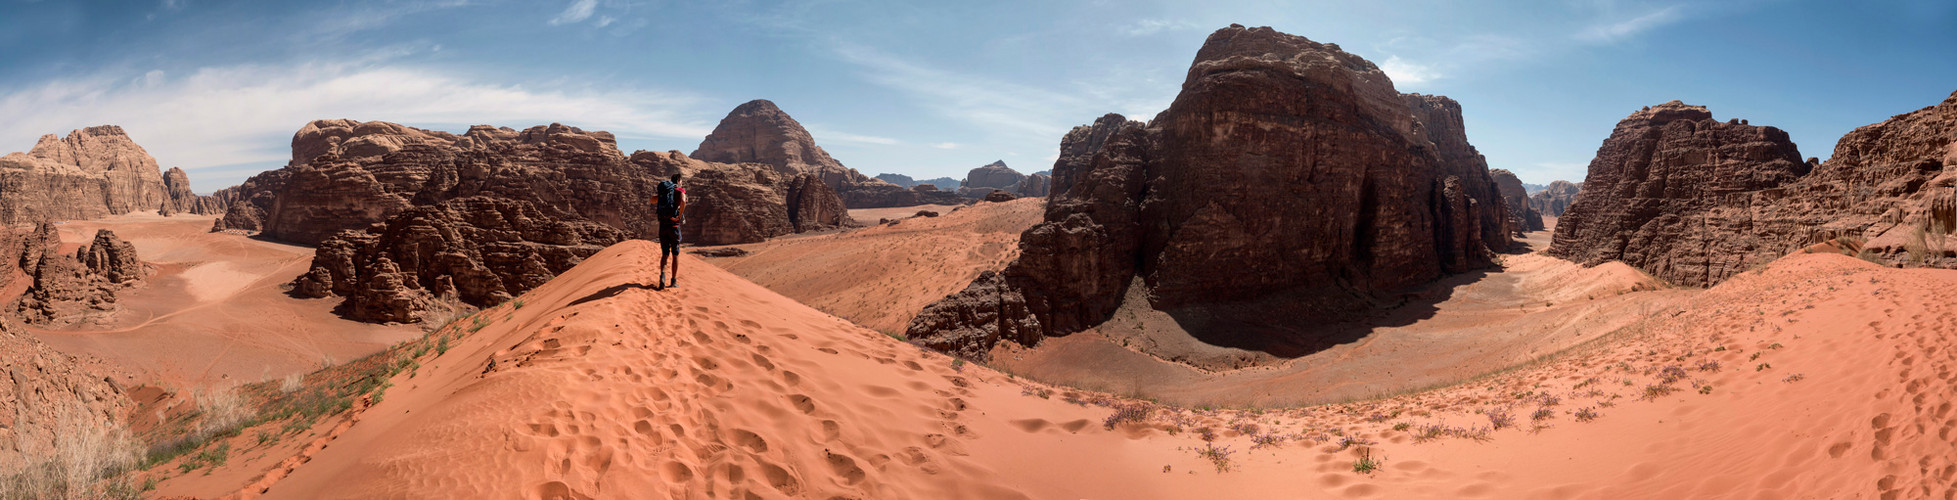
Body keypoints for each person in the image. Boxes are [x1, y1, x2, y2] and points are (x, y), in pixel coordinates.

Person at [654, 173, 687, 288]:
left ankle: (662, 276)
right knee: (675, 254)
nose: (682, 183)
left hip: (663, 225)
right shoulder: (679, 190)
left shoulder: (665, 192)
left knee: (664, 254)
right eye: (681, 181)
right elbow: (683, 201)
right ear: (678, 180)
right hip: (674, 226)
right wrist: (679, 215)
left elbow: (652, 200)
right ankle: (673, 281)